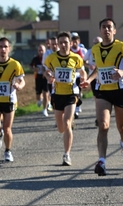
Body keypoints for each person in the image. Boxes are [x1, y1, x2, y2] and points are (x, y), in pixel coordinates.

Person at [80, 18, 123, 176]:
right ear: (100, 30)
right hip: (102, 91)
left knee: (122, 127)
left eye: (109, 27)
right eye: (103, 27)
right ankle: (102, 162)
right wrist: (88, 80)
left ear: (114, 31)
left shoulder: (121, 46)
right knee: (103, 125)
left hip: (120, 90)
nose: (106, 30)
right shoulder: (95, 49)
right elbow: (98, 69)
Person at [44, 31, 87, 166]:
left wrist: (84, 78)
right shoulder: (51, 58)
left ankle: (66, 155)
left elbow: (82, 71)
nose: (63, 45)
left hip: (71, 94)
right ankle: (67, 124)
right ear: (57, 44)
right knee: (61, 128)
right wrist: (49, 76)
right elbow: (46, 71)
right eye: (60, 43)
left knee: (67, 123)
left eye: (66, 42)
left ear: (71, 43)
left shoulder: (76, 58)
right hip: (57, 94)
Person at [84, 36, 102, 126]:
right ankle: (98, 117)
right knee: (97, 98)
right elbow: (83, 61)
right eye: (95, 43)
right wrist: (89, 66)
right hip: (94, 77)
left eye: (98, 43)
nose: (96, 45)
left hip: (103, 78)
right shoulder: (90, 51)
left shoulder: (105, 51)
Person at [70, 34, 88, 118]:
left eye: (76, 41)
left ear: (79, 42)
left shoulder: (83, 50)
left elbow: (86, 61)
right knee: (73, 91)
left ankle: (77, 108)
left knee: (79, 90)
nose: (74, 43)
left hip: (80, 72)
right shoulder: (69, 50)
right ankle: (74, 108)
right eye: (73, 41)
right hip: (72, 73)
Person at [30, 44, 49, 116]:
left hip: (45, 78)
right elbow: (30, 66)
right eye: (39, 50)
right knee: (38, 95)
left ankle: (45, 109)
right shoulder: (35, 59)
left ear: (45, 51)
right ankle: (40, 100)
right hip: (38, 78)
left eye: (42, 50)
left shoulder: (47, 58)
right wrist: (34, 69)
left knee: (46, 94)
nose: (41, 52)